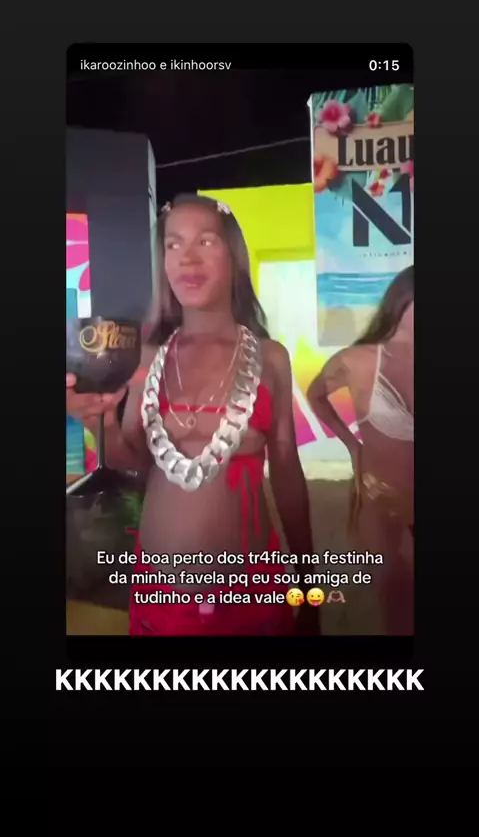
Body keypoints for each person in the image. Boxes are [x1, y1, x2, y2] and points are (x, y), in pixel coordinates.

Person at [67, 194, 316, 636]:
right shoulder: (147, 359)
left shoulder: (270, 359)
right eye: (173, 244)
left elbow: (287, 473)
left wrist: (309, 580)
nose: (187, 257)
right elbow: (134, 461)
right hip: (159, 596)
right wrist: (97, 422)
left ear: (232, 255)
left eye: (205, 241)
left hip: (251, 590)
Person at [307, 266, 414, 635]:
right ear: (402, 301)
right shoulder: (359, 361)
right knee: (395, 601)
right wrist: (352, 446)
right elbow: (316, 395)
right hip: (381, 499)